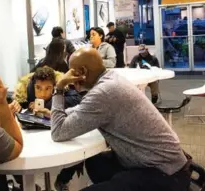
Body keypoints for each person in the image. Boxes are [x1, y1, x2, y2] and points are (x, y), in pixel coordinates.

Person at [50, 48, 192, 191]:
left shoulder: (103, 92)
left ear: (82, 72)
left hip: (165, 174)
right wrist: (51, 114)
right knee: (95, 163)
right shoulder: (111, 79)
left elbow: (58, 132)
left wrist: (59, 87)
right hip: (162, 163)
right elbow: (83, 110)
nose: (69, 78)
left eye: (71, 72)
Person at [12, 66, 84, 191]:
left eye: (48, 88)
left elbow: (76, 99)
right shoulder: (27, 91)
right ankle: (27, 184)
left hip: (59, 136)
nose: (42, 93)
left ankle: (62, 180)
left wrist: (48, 105)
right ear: (33, 86)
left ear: (54, 87)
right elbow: (20, 106)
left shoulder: (65, 91)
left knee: (77, 151)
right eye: (38, 88)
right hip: (35, 136)